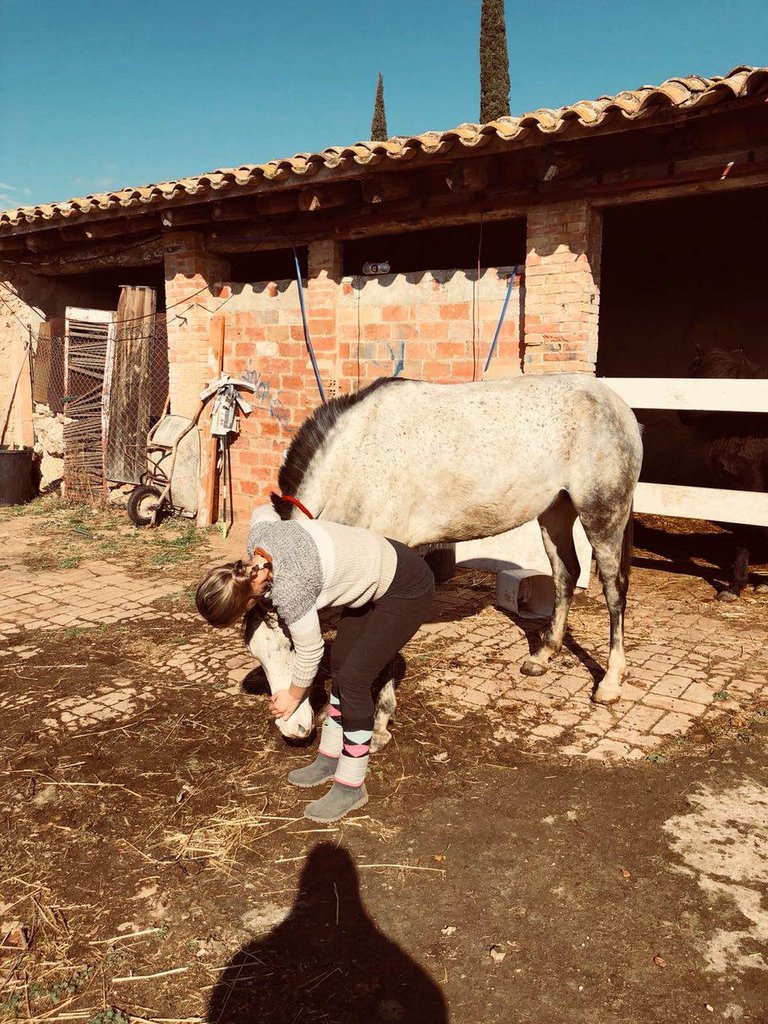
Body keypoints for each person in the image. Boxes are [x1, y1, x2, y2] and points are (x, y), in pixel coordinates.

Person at [195, 506, 435, 823]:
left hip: (406, 585)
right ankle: (329, 757)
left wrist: (293, 696)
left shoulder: (289, 589)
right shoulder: (257, 541)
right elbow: (263, 509)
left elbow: (310, 650)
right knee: (341, 664)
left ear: (247, 603)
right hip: (371, 577)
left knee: (353, 679)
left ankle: (351, 785)